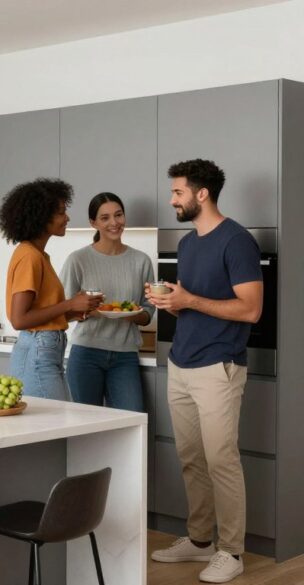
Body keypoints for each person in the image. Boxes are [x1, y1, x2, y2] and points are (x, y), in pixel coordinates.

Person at [148, 159, 262, 583]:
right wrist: (169, 301)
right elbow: (188, 299)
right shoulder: (188, 243)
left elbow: (251, 309)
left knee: (221, 461)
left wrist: (190, 301)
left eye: (177, 192)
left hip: (219, 367)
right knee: (191, 460)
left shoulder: (237, 241)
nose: (172, 199)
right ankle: (200, 541)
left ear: (201, 194)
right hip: (181, 362)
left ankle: (232, 552)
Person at [0, 178, 102, 400]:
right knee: (53, 426)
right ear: (41, 217)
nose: (67, 218)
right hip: (39, 351)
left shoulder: (37, 255)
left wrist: (73, 312)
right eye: (60, 213)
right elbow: (19, 319)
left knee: (53, 425)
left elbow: (40, 312)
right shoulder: (30, 257)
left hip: (45, 349)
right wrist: (70, 303)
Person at [59, 193, 155, 411]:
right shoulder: (78, 260)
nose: (114, 223)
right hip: (86, 354)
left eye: (118, 215)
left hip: (126, 355)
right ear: (93, 223)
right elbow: (62, 310)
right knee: (85, 426)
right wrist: (88, 311)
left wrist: (131, 314)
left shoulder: (141, 261)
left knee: (131, 421)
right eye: (105, 218)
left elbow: (148, 310)